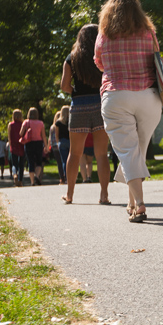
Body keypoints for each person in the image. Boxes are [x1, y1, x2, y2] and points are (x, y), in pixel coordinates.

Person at [95, 0, 161, 221]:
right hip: (148, 97)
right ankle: (132, 201)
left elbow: (99, 61)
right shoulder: (148, 33)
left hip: (116, 95)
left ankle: (140, 204)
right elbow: (157, 58)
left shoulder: (104, 34)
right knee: (137, 152)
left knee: (128, 152)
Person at [61, 24, 111, 205]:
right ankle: (104, 195)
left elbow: (64, 86)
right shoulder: (103, 57)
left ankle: (70, 195)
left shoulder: (71, 58)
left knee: (75, 154)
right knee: (101, 154)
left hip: (79, 106)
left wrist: (75, 90)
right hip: (100, 105)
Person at [19, 107, 48, 186]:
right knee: (39, 161)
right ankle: (37, 176)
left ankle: (32, 182)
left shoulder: (26, 122)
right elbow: (44, 136)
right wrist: (46, 146)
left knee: (30, 162)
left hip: (29, 143)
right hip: (39, 143)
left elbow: (21, 133)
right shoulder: (41, 123)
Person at [7, 109, 26, 186]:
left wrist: (10, 144)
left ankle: (14, 174)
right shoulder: (23, 124)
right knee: (21, 164)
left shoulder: (10, 125)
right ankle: (20, 180)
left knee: (14, 163)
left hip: (13, 145)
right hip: (21, 144)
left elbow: (9, 136)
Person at [49, 111, 66, 184]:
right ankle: (65, 176)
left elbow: (50, 137)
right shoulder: (64, 125)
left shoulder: (52, 127)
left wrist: (48, 145)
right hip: (60, 144)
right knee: (64, 160)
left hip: (54, 146)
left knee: (59, 162)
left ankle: (62, 178)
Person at [55, 105, 71, 183]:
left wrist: (58, 142)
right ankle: (71, 176)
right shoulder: (71, 121)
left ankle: (66, 177)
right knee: (71, 160)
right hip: (70, 142)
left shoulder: (58, 122)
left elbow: (56, 134)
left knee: (64, 161)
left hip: (62, 142)